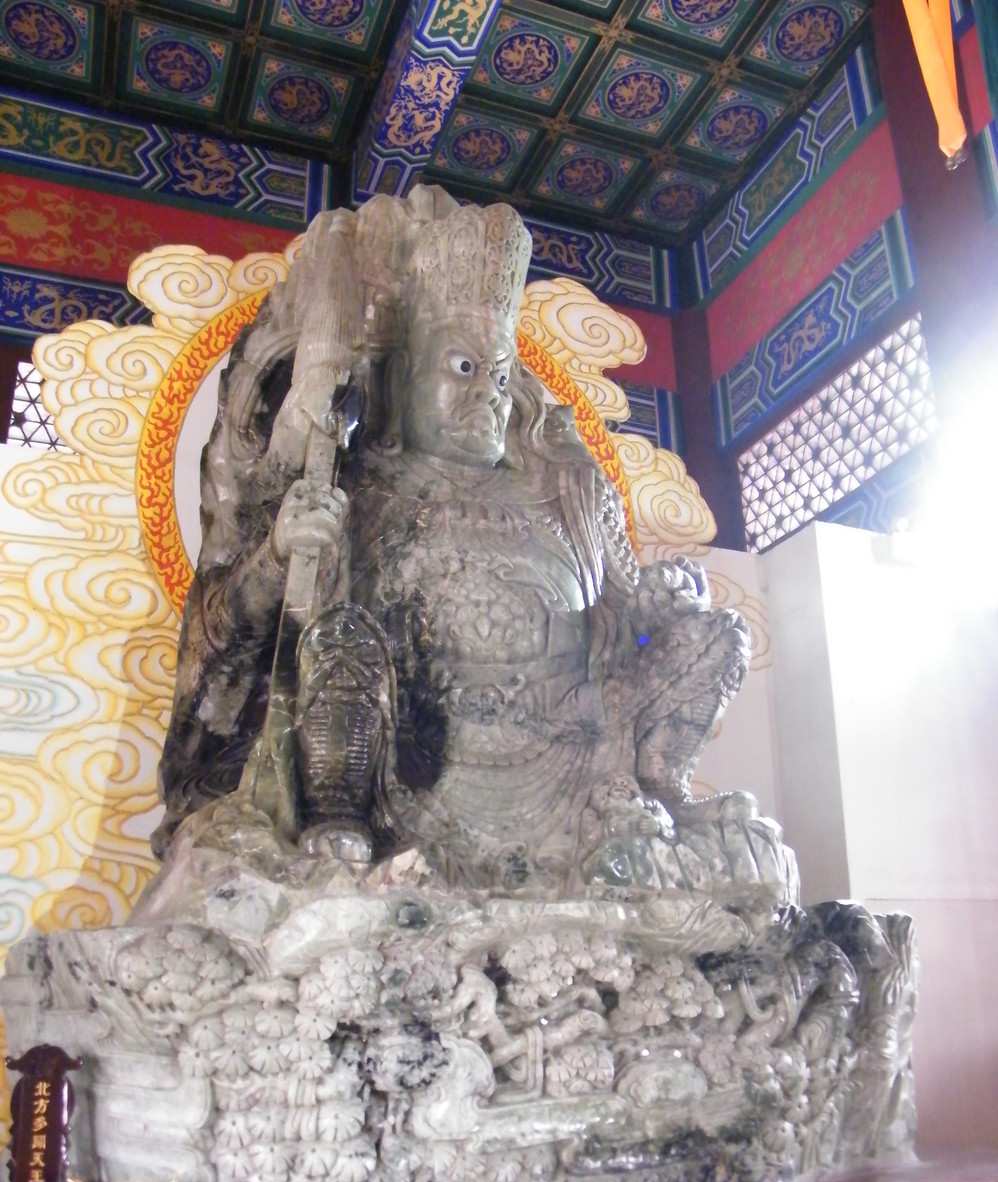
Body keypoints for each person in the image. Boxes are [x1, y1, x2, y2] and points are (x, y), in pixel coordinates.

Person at [153, 189, 752, 894]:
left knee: (719, 635)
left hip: (574, 761)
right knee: (339, 639)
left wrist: (666, 597)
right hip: (412, 765)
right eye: (463, 368)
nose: (487, 393)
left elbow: (629, 618)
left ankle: (661, 786)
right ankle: (340, 819)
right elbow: (246, 636)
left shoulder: (565, 489)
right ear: (405, 375)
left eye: (498, 375)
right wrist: (279, 553)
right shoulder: (360, 484)